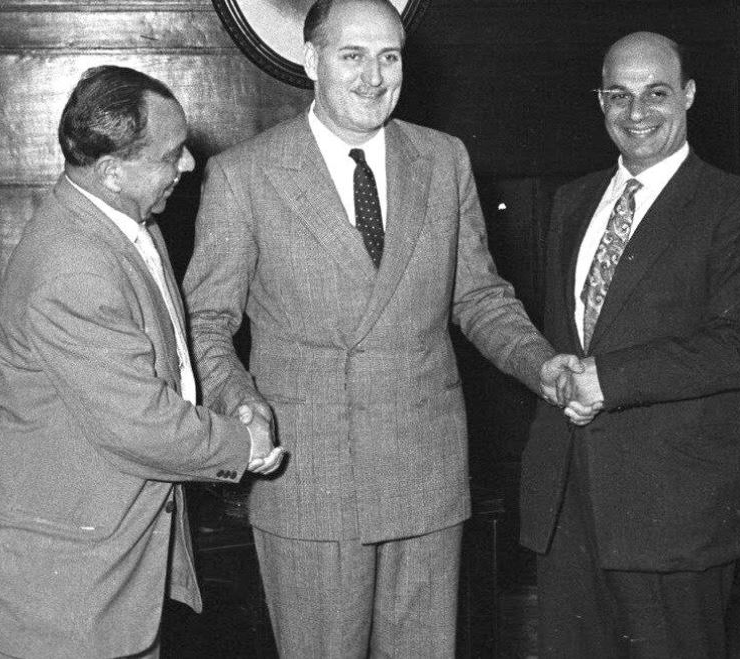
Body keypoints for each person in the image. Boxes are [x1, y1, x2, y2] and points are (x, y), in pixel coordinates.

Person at [182, 0, 580, 655]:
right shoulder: (244, 175)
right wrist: (240, 398)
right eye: (353, 56)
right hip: (308, 475)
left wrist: (541, 363)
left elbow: (480, 297)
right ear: (312, 61)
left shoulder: (444, 159)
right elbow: (205, 322)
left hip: (424, 471)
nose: (374, 77)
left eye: (389, 56)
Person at [0, 65, 284, 659]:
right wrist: (242, 443)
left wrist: (237, 397)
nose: (188, 165)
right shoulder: (73, 267)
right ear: (111, 171)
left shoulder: (128, 224)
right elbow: (139, 424)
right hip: (47, 596)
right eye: (170, 155)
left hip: (105, 576)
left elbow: (170, 362)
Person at [520, 31, 740, 658]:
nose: (636, 112)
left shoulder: (739, 207)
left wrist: (608, 380)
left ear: (688, 95)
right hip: (567, 509)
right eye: (619, 95)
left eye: (656, 93)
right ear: (600, 100)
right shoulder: (572, 201)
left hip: (673, 515)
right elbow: (566, 334)